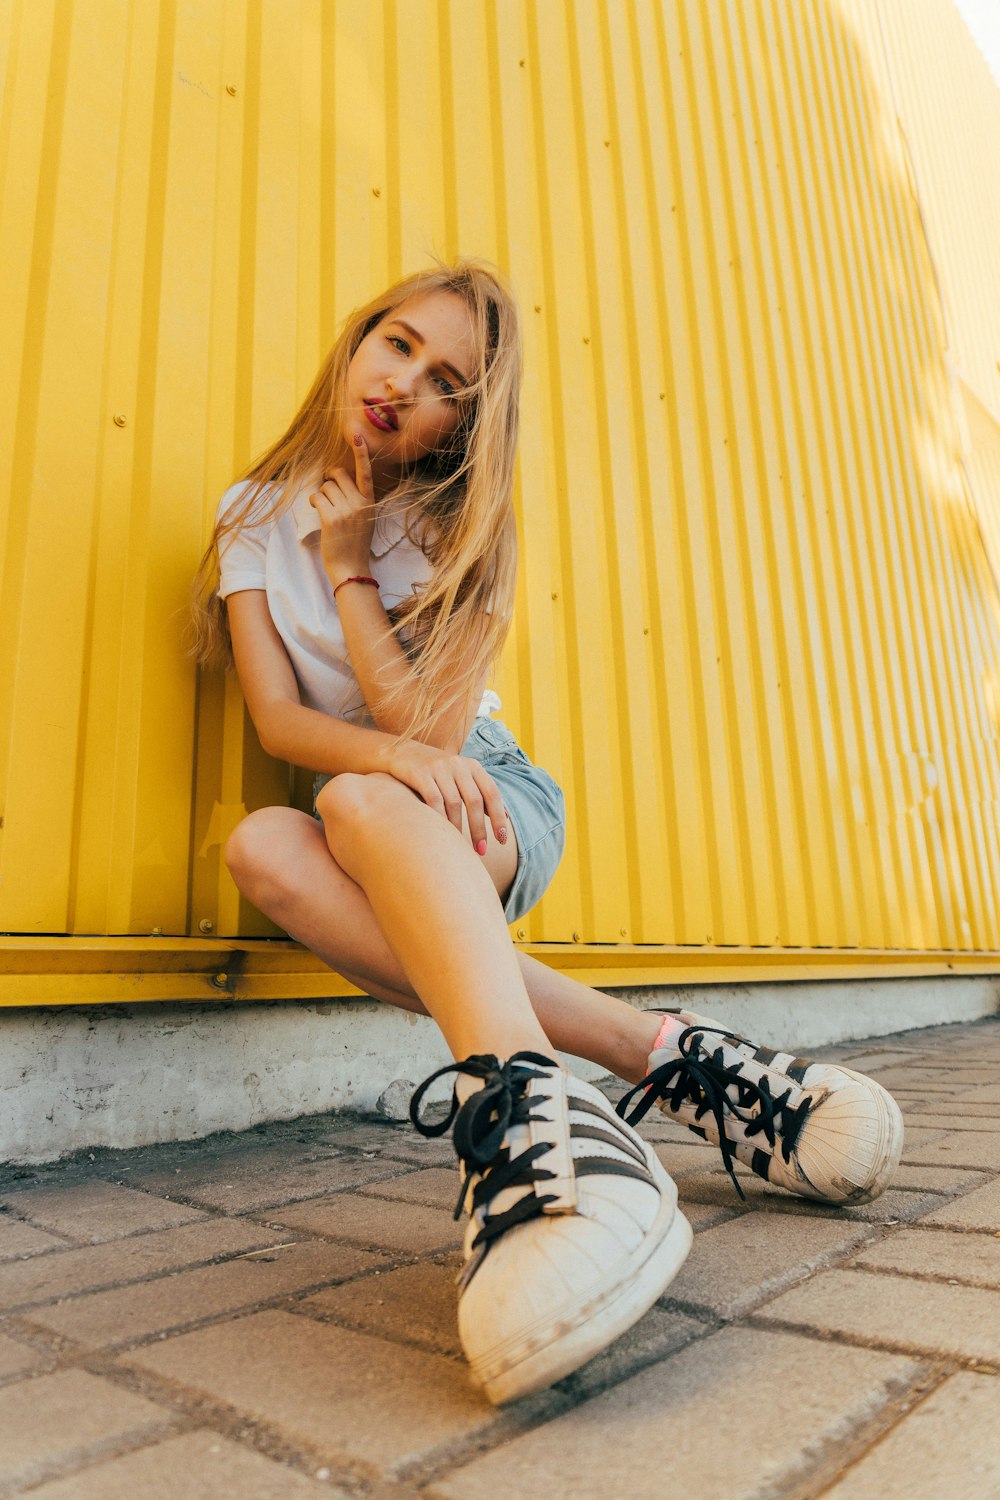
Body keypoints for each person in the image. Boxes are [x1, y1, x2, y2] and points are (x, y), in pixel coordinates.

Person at [192, 259, 904, 1405]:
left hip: (489, 799)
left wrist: (349, 570)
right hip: (379, 803)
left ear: (463, 423)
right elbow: (279, 717)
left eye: (445, 382)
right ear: (354, 342)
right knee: (262, 844)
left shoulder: (459, 528)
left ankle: (530, 1111)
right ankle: (669, 1060)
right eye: (395, 343)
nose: (403, 383)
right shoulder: (248, 513)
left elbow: (427, 729)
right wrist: (378, 756)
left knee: (354, 799)